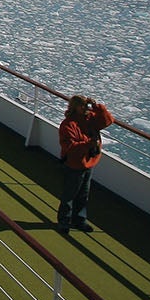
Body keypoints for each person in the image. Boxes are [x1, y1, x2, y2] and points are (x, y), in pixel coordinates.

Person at [56, 94, 115, 234]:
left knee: (83, 194)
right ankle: (64, 221)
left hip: (88, 163)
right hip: (74, 164)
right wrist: (88, 144)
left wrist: (97, 107)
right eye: (83, 106)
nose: (85, 108)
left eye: (86, 105)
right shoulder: (68, 125)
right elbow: (69, 147)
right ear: (75, 107)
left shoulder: (91, 119)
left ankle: (79, 220)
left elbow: (108, 121)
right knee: (69, 195)